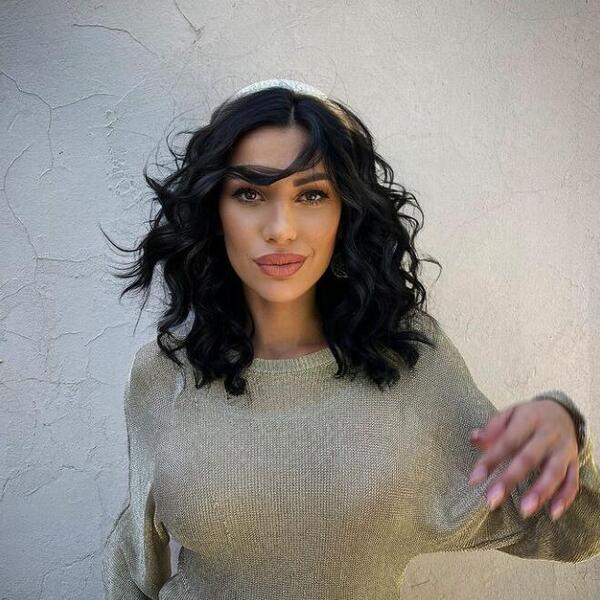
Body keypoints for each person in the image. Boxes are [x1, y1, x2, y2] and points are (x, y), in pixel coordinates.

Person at [101, 79, 600, 600]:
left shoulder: (408, 361)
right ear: (214, 211)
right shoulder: (163, 374)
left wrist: (564, 429)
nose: (281, 228)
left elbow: (577, 533)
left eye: (311, 195)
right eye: (249, 193)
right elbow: (132, 566)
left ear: (346, 212)